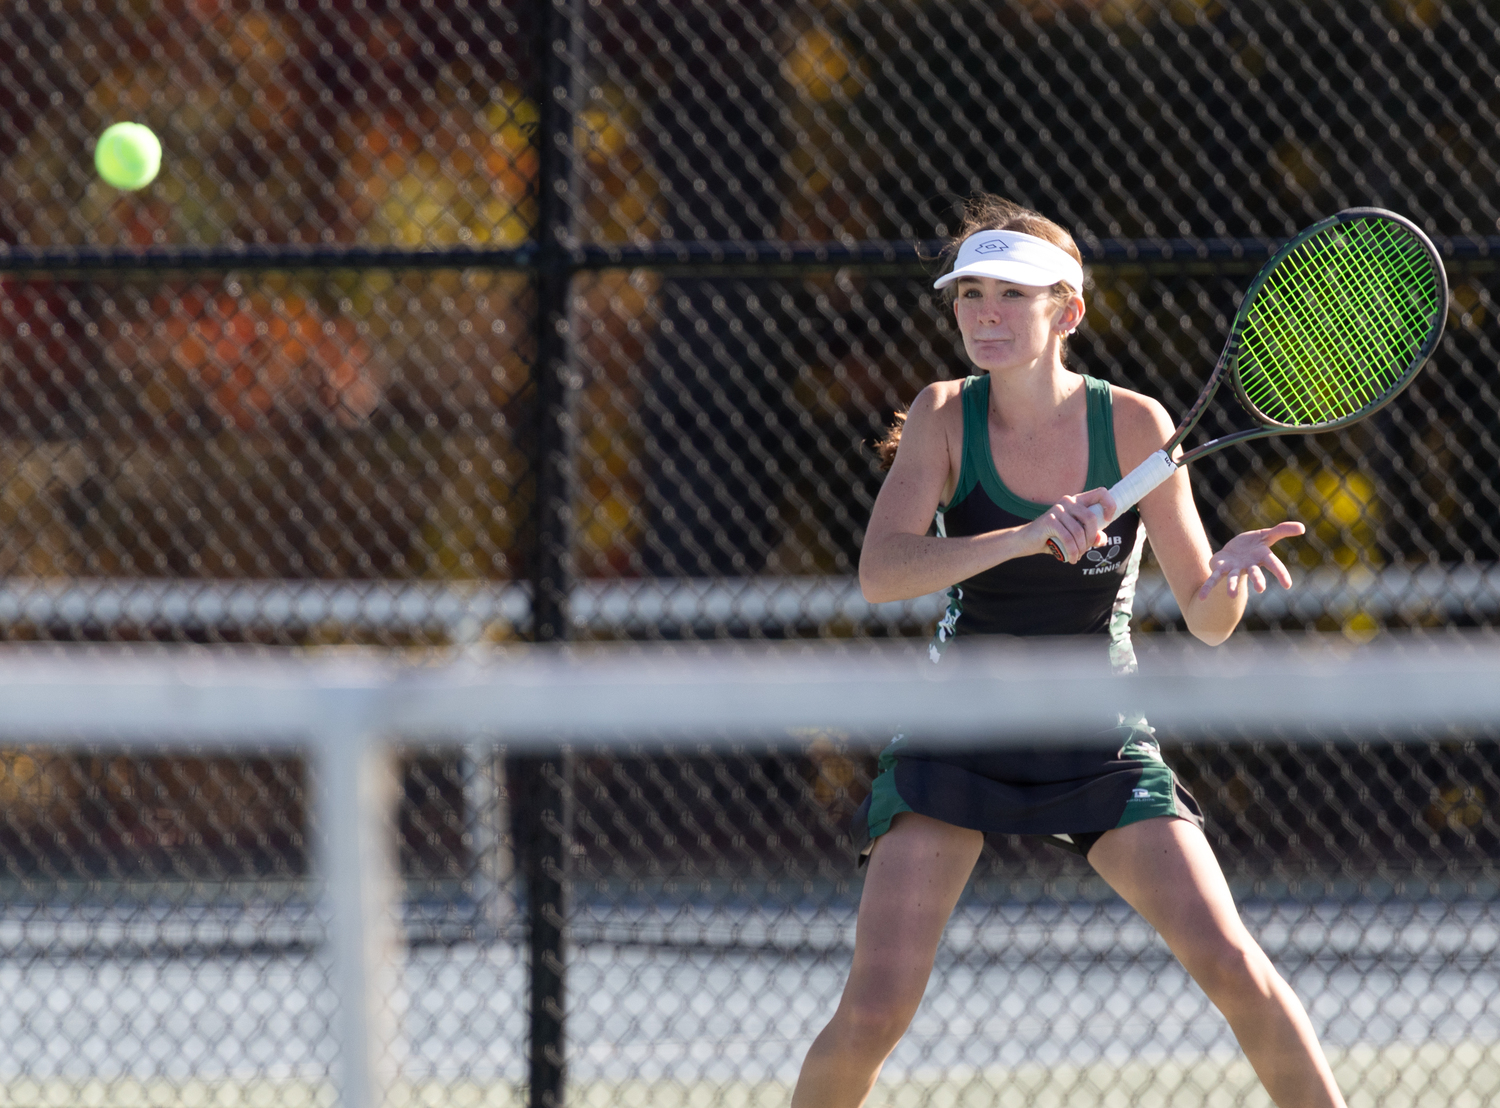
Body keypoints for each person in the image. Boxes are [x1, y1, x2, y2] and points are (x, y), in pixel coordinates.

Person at [789, 196, 1346, 1108]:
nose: (987, 315)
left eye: (1013, 294)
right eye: (970, 295)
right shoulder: (941, 416)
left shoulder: (1133, 428)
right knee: (874, 1011)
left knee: (1236, 967)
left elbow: (1205, 616)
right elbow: (883, 573)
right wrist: (1017, 537)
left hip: (1099, 735)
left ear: (1068, 312)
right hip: (955, 732)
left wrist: (1231, 582)